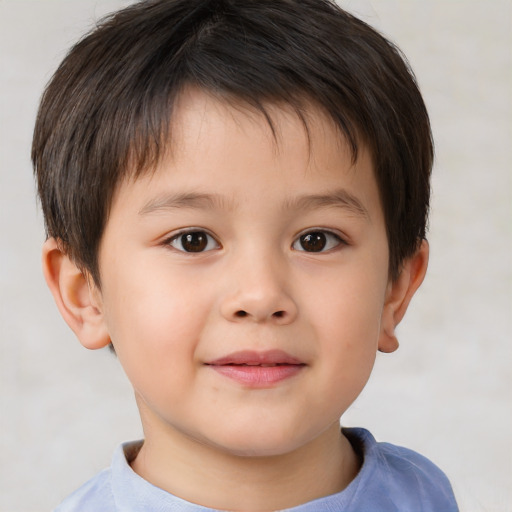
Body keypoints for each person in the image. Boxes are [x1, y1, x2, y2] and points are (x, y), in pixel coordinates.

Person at [32, 0, 459, 510]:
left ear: (396, 289)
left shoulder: (424, 496)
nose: (260, 296)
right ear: (86, 295)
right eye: (192, 239)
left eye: (316, 240)